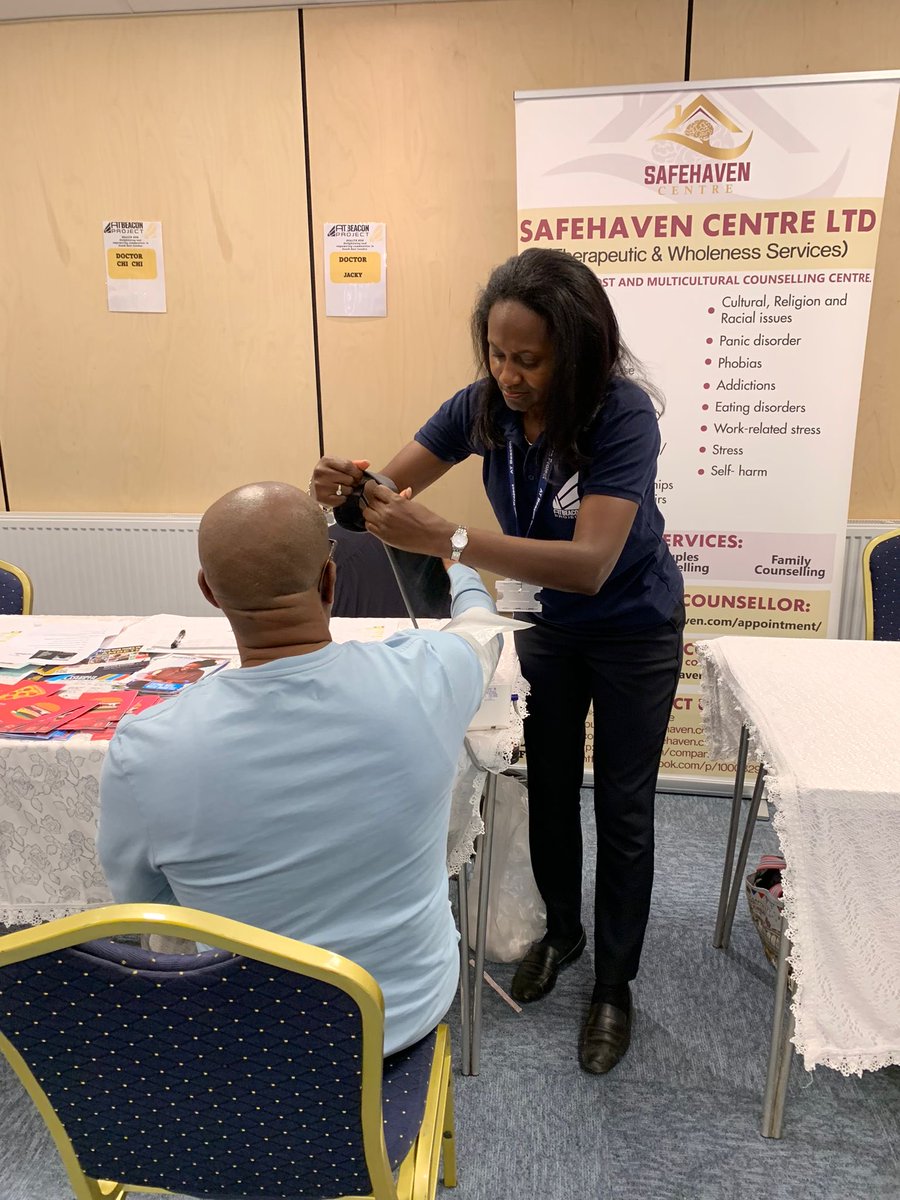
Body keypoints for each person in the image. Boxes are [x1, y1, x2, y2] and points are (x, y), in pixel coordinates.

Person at [313, 248, 684, 1075]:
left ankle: (614, 986)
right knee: (547, 785)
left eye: (529, 360)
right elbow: (388, 492)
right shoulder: (481, 408)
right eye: (496, 353)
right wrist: (345, 488)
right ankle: (565, 933)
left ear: (576, 352)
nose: (508, 376)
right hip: (547, 625)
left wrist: (447, 537)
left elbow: (591, 562)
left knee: (623, 808)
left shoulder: (622, 415)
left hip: (632, 628)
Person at [98, 481, 505, 1056]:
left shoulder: (145, 749)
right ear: (330, 579)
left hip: (249, 1035)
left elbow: (143, 904)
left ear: (208, 592)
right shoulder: (426, 677)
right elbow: (480, 631)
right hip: (406, 1009)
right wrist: (453, 563)